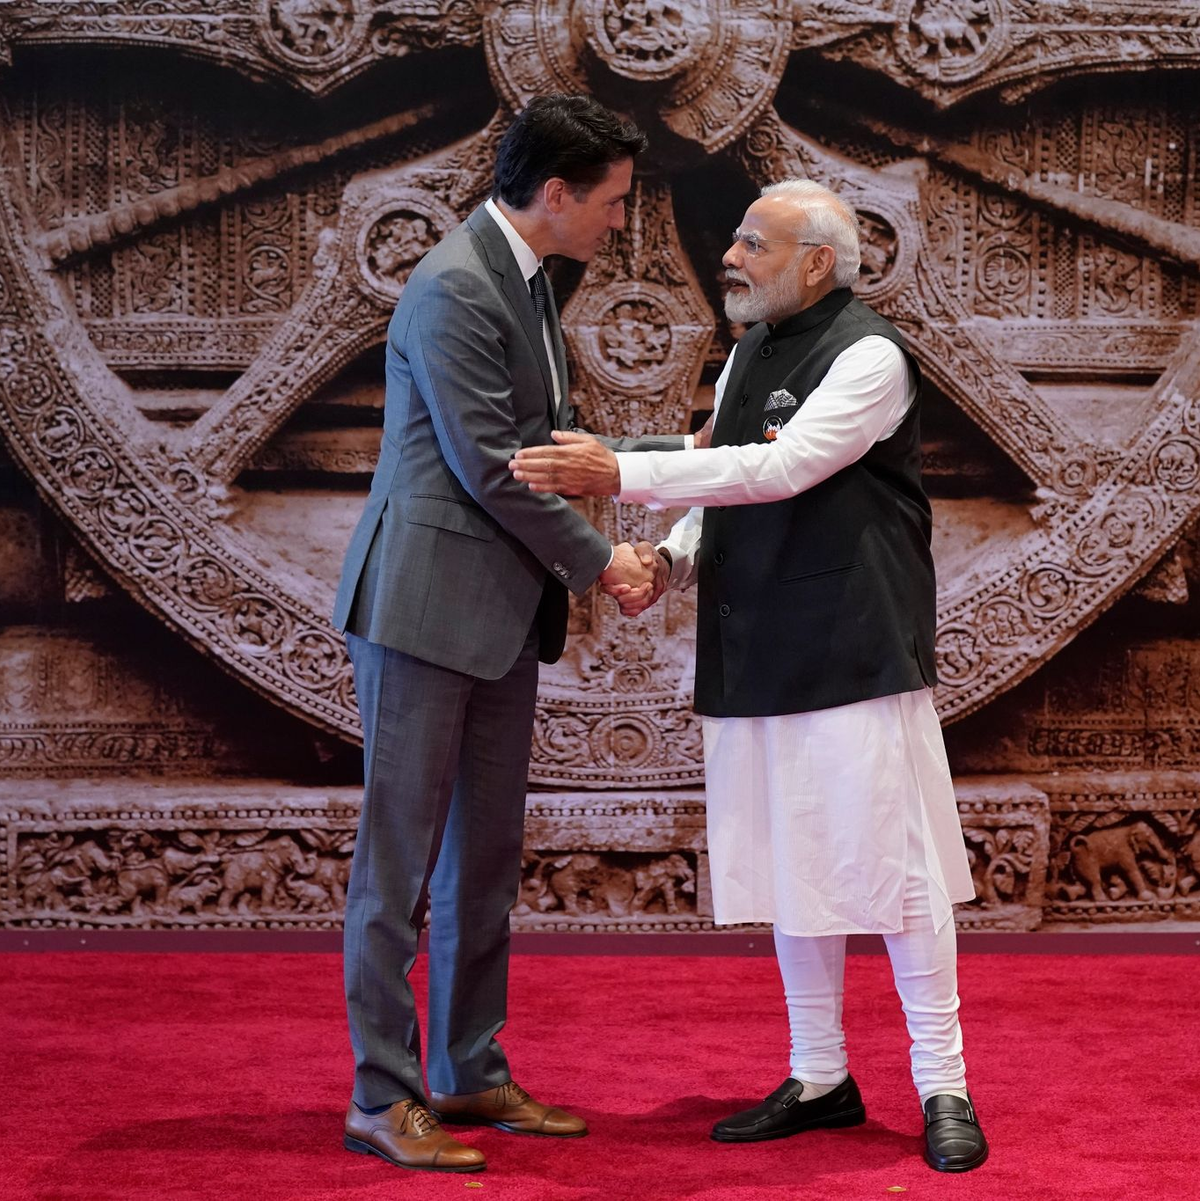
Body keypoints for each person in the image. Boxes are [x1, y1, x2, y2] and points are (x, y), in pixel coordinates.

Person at [510, 178, 990, 1174]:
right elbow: (729, 478)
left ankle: (944, 1081)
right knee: (794, 862)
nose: (730, 255)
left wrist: (622, 474)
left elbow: (782, 471)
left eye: (751, 242)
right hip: (756, 636)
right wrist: (673, 557)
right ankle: (820, 1074)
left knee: (895, 872)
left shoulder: (871, 357)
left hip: (854, 645)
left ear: (817, 260)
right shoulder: (747, 357)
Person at [332, 94, 686, 1175]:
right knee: (397, 868)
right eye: (615, 203)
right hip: (423, 607)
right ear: (557, 193)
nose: (622, 224)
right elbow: (497, 467)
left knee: (483, 859)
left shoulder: (525, 278)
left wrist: (670, 446)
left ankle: (468, 1069)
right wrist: (608, 561)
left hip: (488, 614)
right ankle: (381, 1098)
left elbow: (545, 445)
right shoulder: (452, 286)